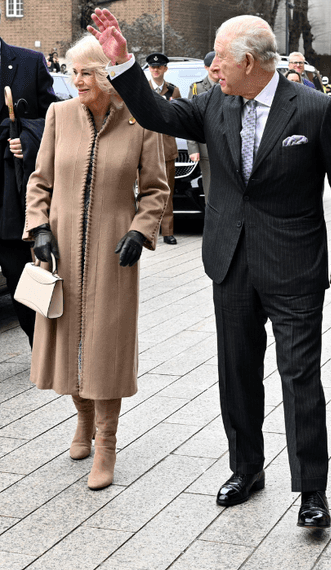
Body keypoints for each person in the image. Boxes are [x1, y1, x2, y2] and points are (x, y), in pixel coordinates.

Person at [89, 9, 331, 526]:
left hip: (293, 265)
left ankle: (312, 492)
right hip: (230, 260)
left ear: (247, 61)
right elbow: (156, 116)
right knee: (236, 374)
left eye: (218, 57)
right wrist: (122, 61)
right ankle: (247, 468)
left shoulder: (314, 109)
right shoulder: (215, 101)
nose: (212, 67)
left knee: (299, 378)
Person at [23, 35, 170, 490]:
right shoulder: (59, 115)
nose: (77, 81)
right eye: (72, 72)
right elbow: (40, 181)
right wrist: (40, 227)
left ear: (106, 74)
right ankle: (83, 419)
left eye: (86, 72)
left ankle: (106, 442)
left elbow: (156, 190)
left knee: (107, 345)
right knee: (66, 344)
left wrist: (140, 229)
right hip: (61, 251)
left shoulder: (139, 120)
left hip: (113, 253)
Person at [1, 37, 59, 346]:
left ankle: (43, 349)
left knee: (21, 281)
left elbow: (54, 120)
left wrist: (27, 137)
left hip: (13, 193)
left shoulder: (29, 61)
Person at [145, 52, 180, 245]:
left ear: (165, 69)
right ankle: (146, 230)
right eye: (152, 67)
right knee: (144, 190)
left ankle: (167, 231)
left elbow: (178, 118)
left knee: (167, 190)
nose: (155, 70)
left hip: (166, 147)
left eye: (159, 67)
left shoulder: (173, 92)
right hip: (146, 147)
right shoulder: (143, 89)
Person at [187, 51, 218, 202]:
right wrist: (193, 148)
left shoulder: (231, 86)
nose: (216, 70)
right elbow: (191, 119)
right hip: (206, 148)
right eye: (213, 68)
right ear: (206, 68)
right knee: (210, 192)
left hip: (229, 148)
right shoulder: (197, 89)